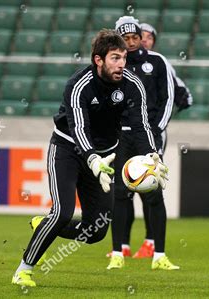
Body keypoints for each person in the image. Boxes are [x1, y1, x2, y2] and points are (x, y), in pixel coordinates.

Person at [11, 29, 167, 287]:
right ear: (98, 60)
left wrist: (153, 154)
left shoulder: (132, 84)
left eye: (124, 58)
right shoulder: (78, 84)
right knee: (62, 212)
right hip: (67, 150)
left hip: (105, 156)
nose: (121, 64)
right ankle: (24, 269)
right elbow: (78, 128)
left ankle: (44, 226)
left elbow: (141, 126)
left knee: (96, 231)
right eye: (115, 58)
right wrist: (92, 159)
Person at [112, 22, 194, 259]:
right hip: (121, 135)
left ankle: (154, 247)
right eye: (125, 37)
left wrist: (156, 129)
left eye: (135, 36)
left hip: (149, 134)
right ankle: (121, 248)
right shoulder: (116, 62)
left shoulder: (158, 61)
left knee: (150, 187)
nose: (131, 41)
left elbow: (171, 97)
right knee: (121, 190)